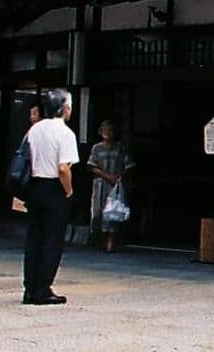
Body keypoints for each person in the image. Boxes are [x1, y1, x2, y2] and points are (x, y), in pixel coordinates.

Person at [21, 89, 77, 305]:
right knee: (53, 241)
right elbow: (63, 168)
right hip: (54, 188)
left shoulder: (35, 129)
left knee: (34, 238)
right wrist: (69, 191)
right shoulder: (65, 133)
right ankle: (43, 288)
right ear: (65, 108)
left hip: (34, 186)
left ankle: (30, 288)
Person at [86, 121, 134, 253]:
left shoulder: (120, 148)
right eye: (105, 130)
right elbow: (92, 166)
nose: (107, 133)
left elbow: (128, 165)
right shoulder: (96, 148)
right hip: (101, 183)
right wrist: (106, 175)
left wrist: (119, 176)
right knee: (99, 211)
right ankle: (101, 239)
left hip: (116, 185)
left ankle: (110, 243)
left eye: (110, 130)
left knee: (113, 212)